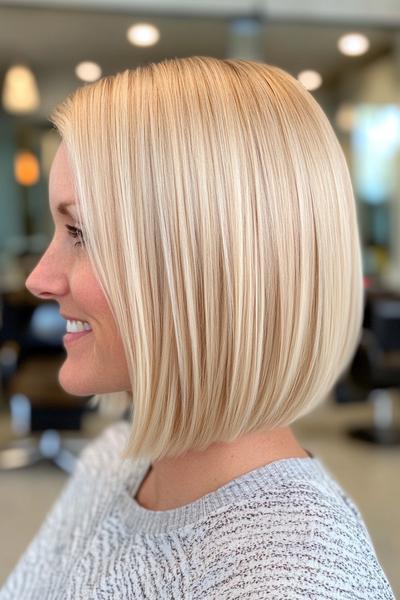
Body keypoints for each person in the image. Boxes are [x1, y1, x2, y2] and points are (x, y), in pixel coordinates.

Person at [0, 56, 395, 599]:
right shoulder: (114, 461)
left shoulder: (292, 582)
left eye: (81, 233)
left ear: (207, 266)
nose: (42, 278)